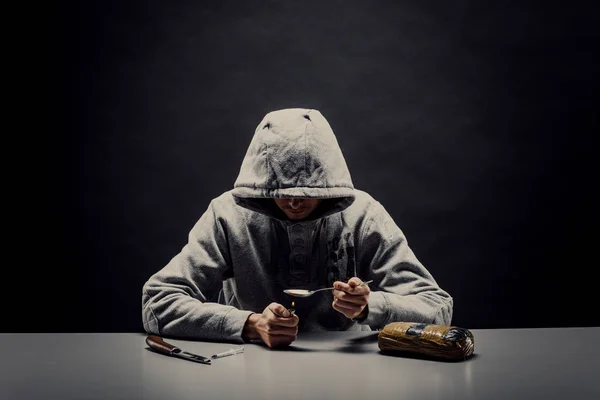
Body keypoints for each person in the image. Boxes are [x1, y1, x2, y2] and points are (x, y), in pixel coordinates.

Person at [141, 108, 453, 348]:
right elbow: (158, 302)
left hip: (349, 378)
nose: (294, 202)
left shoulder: (364, 215)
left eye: (308, 192)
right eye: (282, 191)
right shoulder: (227, 215)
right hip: (247, 375)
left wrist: (370, 306)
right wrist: (249, 325)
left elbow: (437, 307)